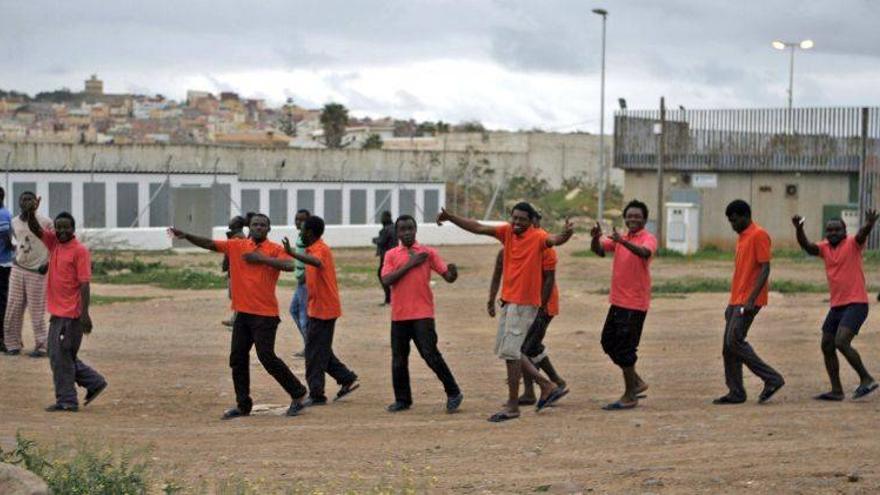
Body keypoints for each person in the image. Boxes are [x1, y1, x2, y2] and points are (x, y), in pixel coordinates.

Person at [437, 203, 573, 422]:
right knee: (510, 351)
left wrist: (566, 234)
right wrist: (451, 217)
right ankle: (545, 385)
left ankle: (516, 403)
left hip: (525, 304)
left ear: (531, 221)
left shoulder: (539, 237)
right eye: (515, 218)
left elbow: (555, 241)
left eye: (522, 220)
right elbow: (478, 227)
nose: (517, 223)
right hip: (509, 301)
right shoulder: (507, 232)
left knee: (512, 353)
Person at [169, 214, 308, 419]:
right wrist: (186, 235)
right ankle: (243, 405)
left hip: (265, 315)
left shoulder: (274, 249)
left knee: (267, 357)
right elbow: (209, 243)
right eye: (255, 225)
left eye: (263, 225)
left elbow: (290, 266)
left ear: (268, 229)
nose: (258, 228)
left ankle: (298, 394)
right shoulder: (237, 245)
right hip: (243, 314)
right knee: (237, 358)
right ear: (249, 227)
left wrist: (260, 259)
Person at [25, 208, 107, 412]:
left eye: (66, 228)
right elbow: (36, 229)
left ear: (73, 229)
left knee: (60, 356)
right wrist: (30, 213)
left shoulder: (80, 251)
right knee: (59, 354)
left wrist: (84, 314)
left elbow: (84, 284)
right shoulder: (54, 245)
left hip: (71, 314)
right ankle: (94, 382)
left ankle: (67, 400)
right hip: (58, 313)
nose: (62, 231)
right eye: (58, 227)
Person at [792, 211, 878, 401]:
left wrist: (869, 223)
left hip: (856, 303)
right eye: (829, 230)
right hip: (837, 306)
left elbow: (862, 234)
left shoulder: (853, 244)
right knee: (827, 344)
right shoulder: (824, 248)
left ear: (845, 231)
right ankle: (837, 390)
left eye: (837, 230)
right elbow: (807, 246)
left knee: (841, 342)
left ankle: (867, 379)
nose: (832, 233)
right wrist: (799, 229)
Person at [381, 215, 463, 413]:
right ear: (397, 232)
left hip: (422, 314)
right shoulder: (391, 255)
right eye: (403, 229)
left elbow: (447, 276)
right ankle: (402, 399)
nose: (407, 232)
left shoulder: (427, 253)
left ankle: (453, 392)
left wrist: (452, 273)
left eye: (410, 228)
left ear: (416, 230)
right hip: (399, 315)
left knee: (430, 354)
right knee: (399, 359)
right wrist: (411, 263)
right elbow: (386, 280)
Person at [488, 213, 567, 406]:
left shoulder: (544, 246)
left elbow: (549, 280)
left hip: (541, 306)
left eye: (532, 223)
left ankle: (549, 385)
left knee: (521, 349)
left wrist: (542, 307)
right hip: (523, 304)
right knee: (528, 347)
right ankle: (545, 386)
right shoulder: (510, 247)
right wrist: (492, 299)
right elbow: (498, 273)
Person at [282, 216, 359, 407]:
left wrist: (292, 253)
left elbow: (316, 262)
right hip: (318, 307)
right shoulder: (314, 248)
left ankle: (317, 394)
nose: (299, 233)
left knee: (314, 352)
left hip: (324, 309)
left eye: (302, 229)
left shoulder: (320, 250)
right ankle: (346, 377)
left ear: (310, 232)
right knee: (319, 349)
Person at [713, 199, 785, 405]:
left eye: (734, 220)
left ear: (745, 216)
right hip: (737, 299)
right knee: (728, 347)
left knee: (734, 341)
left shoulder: (758, 235)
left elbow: (765, 268)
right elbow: (743, 273)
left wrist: (751, 299)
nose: (732, 225)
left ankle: (772, 379)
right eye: (730, 221)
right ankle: (736, 392)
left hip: (749, 300)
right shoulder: (742, 237)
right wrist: (732, 302)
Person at [590, 200, 657, 410]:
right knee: (608, 342)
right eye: (630, 216)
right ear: (625, 218)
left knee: (626, 349)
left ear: (644, 220)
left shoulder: (648, 238)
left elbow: (645, 253)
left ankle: (630, 395)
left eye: (637, 216)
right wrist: (594, 238)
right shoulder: (622, 237)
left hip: (635, 303)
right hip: (617, 301)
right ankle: (636, 382)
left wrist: (622, 241)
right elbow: (599, 250)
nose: (633, 219)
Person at [3, 191, 53, 357]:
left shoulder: (45, 222)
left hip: (37, 271)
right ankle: (12, 344)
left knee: (36, 310)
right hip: (18, 268)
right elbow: (14, 241)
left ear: (36, 202)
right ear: (19, 202)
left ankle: (42, 346)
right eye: (23, 199)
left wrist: (48, 263)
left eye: (30, 199)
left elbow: (54, 244)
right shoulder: (14, 221)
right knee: (13, 307)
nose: (26, 202)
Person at [288, 209, 311, 357]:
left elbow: (312, 256)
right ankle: (308, 345)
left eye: (302, 220)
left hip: (305, 282)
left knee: (304, 317)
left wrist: (305, 275)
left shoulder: (308, 238)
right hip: (300, 281)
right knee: (294, 310)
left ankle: (310, 347)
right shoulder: (300, 236)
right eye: (297, 219)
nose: (298, 222)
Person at [220, 215, 247, 327]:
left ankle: (238, 320)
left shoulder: (238, 238)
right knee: (234, 296)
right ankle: (236, 318)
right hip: (234, 271)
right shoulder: (236, 236)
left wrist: (225, 265)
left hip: (236, 272)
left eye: (233, 220)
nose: (230, 221)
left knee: (237, 296)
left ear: (237, 224)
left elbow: (229, 254)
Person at [373, 211, 396, 306]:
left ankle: (388, 298)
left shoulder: (386, 229)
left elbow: (382, 241)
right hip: (395, 254)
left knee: (382, 275)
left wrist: (375, 240)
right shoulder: (394, 227)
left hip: (387, 256)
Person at [0, 187, 13, 352]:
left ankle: (3, 338)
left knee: (2, 302)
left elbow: (4, 235)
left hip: (2, 264)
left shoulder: (2, 214)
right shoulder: (6, 213)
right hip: (4, 263)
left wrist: (11, 248)